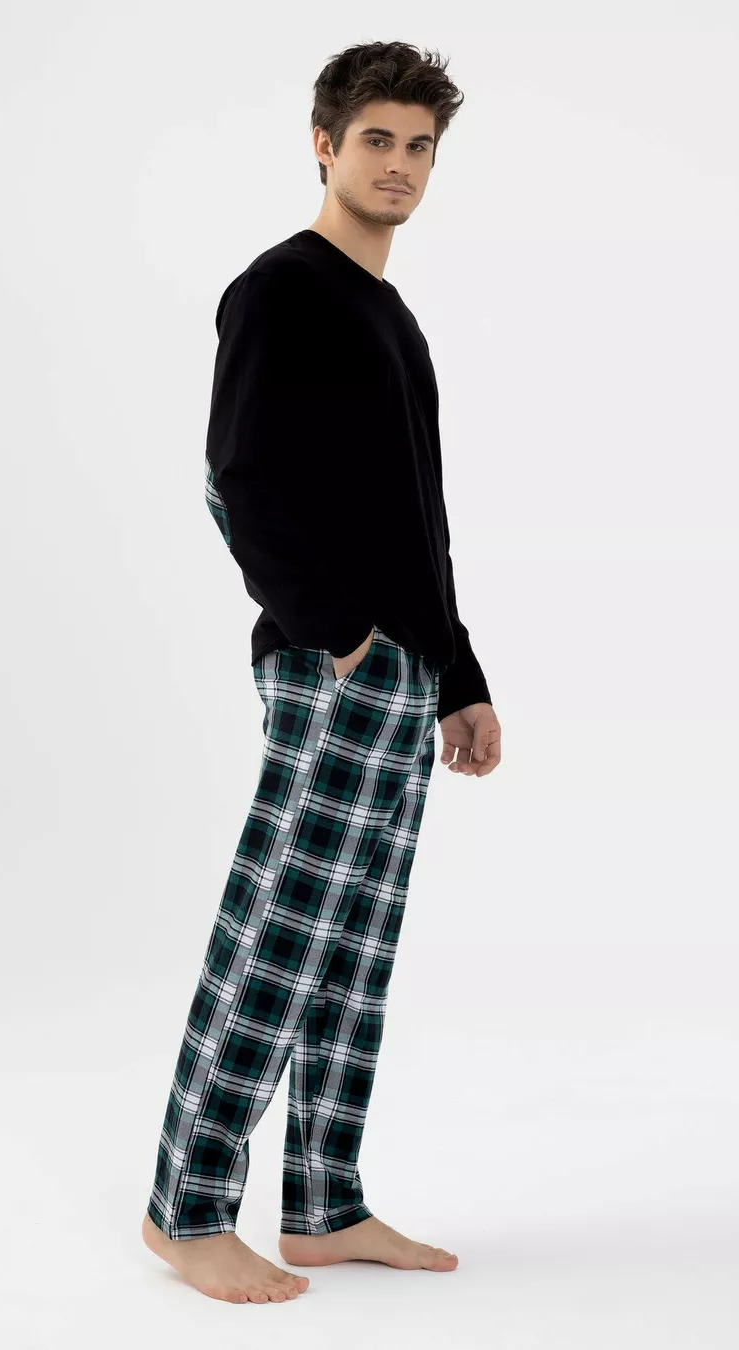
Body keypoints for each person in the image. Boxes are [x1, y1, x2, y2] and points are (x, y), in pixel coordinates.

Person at [142, 39, 502, 1305]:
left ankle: (323, 1204)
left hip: (399, 673)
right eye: (377, 141)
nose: (400, 165)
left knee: (352, 948)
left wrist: (457, 675)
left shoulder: (389, 314)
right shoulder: (281, 290)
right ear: (323, 144)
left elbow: (419, 522)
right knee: (278, 935)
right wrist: (340, 636)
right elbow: (234, 479)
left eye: (420, 147)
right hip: (333, 668)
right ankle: (187, 1210)